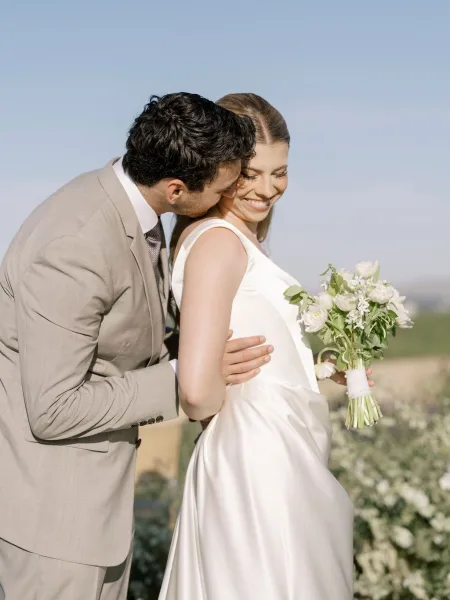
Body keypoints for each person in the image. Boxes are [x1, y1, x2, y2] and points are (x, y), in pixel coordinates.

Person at [0, 92, 274, 600]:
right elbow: (53, 409)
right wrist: (186, 378)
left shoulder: (134, 213)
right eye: (219, 189)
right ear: (176, 189)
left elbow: (126, 337)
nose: (226, 199)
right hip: (53, 525)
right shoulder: (74, 245)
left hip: (97, 514)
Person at [159, 93, 370, 599]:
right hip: (255, 467)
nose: (267, 188)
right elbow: (196, 394)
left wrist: (315, 369)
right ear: (221, 165)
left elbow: (250, 350)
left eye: (280, 172)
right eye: (250, 173)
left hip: (280, 457)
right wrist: (210, 378)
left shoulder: (240, 240)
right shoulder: (217, 242)